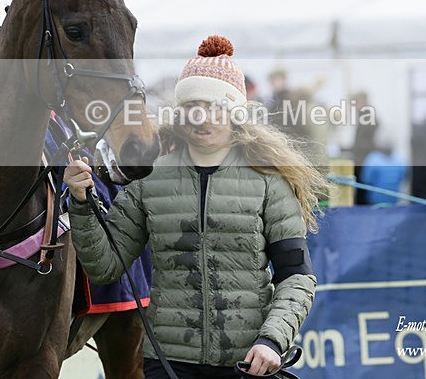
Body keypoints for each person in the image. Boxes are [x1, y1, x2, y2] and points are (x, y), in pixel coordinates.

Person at [66, 36, 324, 378]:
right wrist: (82, 203)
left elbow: (296, 276)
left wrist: (272, 341)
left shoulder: (269, 182)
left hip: (248, 363)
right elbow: (105, 267)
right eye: (192, 106)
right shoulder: (149, 179)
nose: (201, 118)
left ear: (235, 113)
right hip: (167, 363)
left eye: (214, 107)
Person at [361, 128, 407, 205]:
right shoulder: (400, 159)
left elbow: (366, 180)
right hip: (394, 202)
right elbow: (404, 178)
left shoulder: (373, 159)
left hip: (374, 203)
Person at [349, 92, 378, 205]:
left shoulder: (367, 117)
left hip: (364, 161)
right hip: (362, 160)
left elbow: (366, 143)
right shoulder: (365, 117)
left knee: (362, 194)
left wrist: (352, 149)